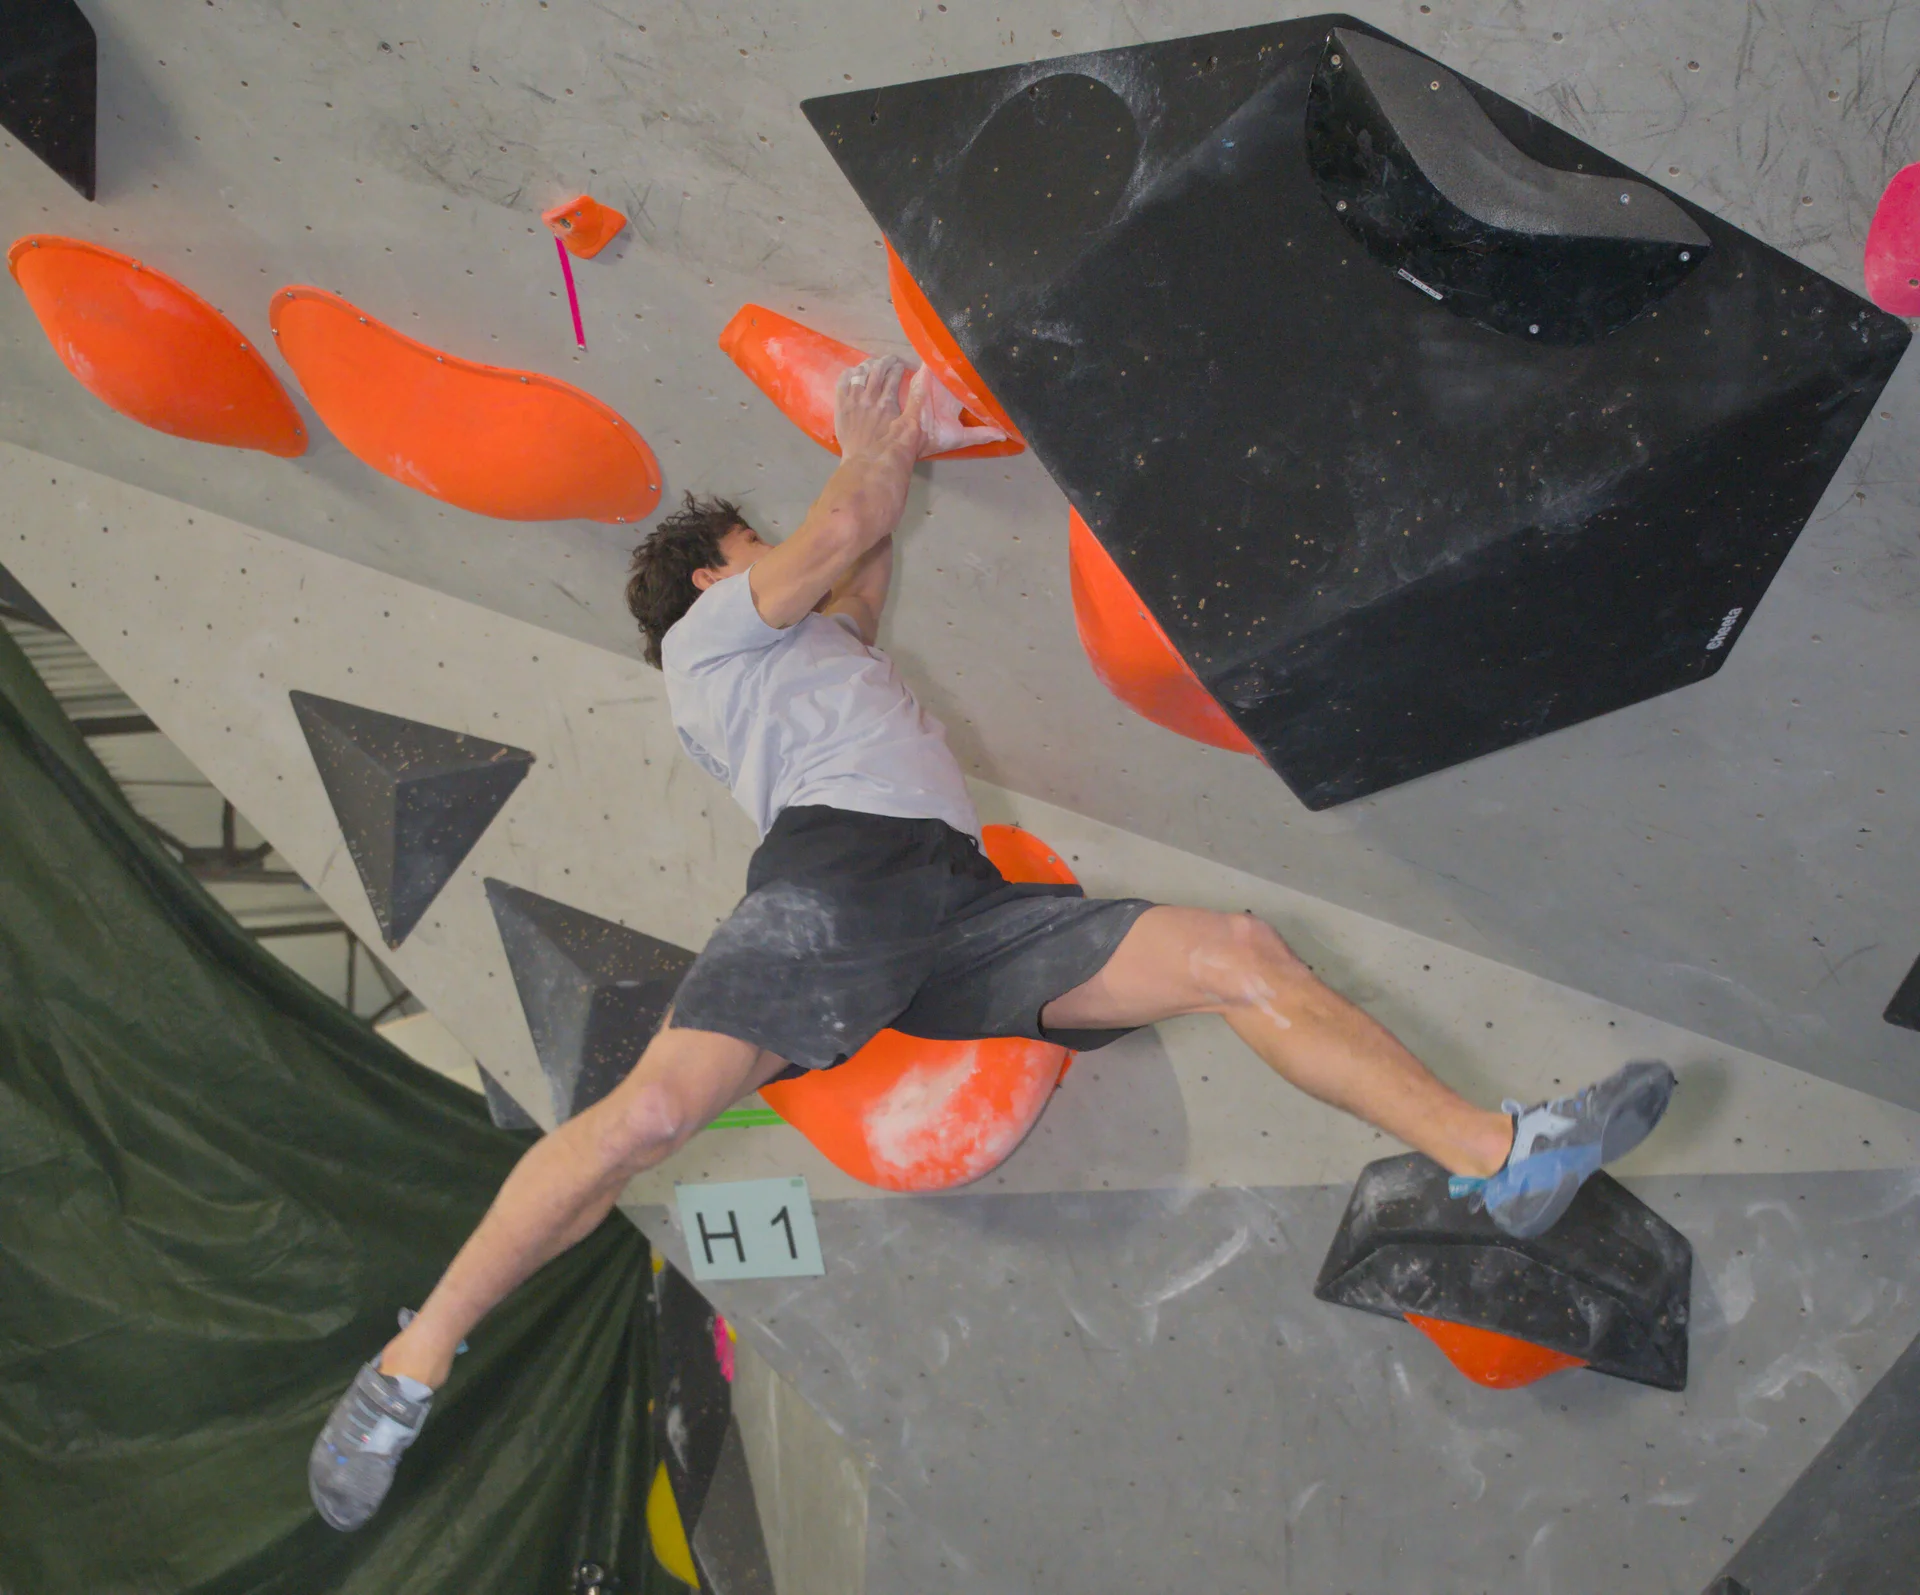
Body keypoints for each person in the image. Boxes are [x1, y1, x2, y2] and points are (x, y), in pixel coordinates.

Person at [309, 356, 1674, 1530]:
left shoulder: (815, 655)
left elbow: (864, 554)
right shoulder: (709, 645)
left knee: (1236, 952)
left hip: (957, 905)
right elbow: (852, 518)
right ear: (714, 579)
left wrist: (893, 419)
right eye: (752, 545)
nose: (784, 553)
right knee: (648, 1118)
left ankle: (1502, 1159)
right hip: (832, 887)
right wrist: (865, 448)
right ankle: (411, 1365)